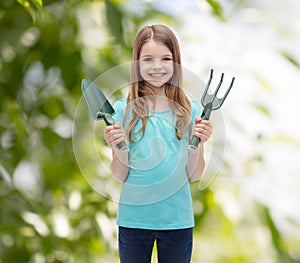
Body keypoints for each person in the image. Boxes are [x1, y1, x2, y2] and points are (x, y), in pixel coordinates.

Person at [104, 24, 212, 263]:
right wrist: (118, 147)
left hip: (177, 221)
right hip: (134, 220)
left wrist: (198, 141)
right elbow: (119, 175)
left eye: (166, 58)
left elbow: (194, 175)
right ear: (137, 63)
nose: (157, 67)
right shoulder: (123, 110)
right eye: (148, 59)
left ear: (176, 62)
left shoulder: (191, 111)